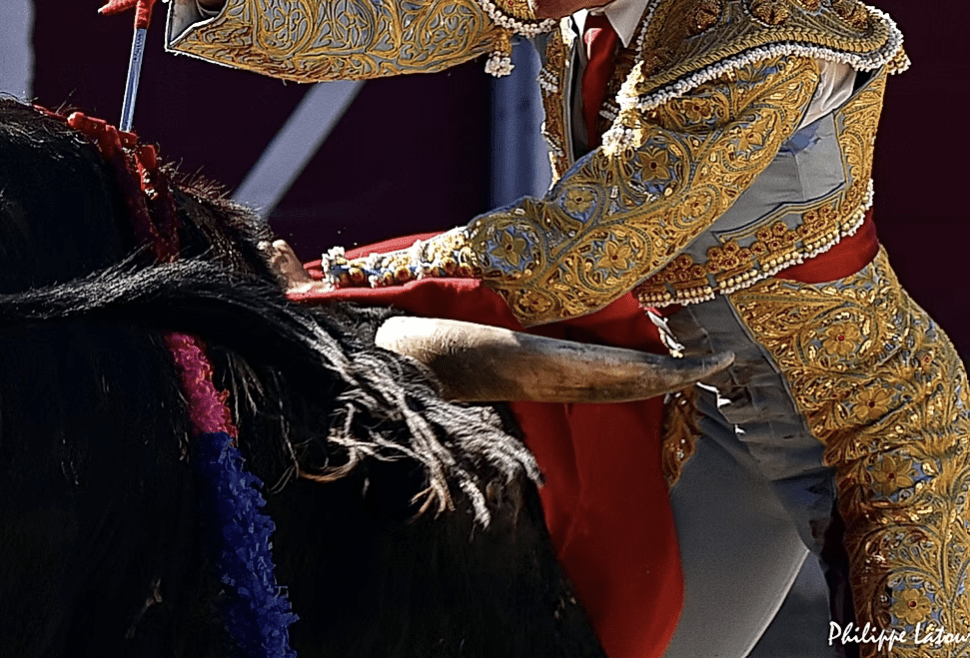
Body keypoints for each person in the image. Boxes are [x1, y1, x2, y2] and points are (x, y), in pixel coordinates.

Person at [166, 0, 970, 656]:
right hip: (698, 414)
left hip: (869, 433)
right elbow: (414, 15)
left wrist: (347, 281)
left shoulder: (764, 32)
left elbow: (581, 250)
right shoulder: (584, 13)